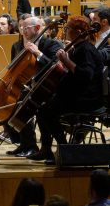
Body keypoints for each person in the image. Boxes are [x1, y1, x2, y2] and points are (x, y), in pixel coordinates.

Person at [32, 16, 104, 164]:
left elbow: (85, 76)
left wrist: (66, 61)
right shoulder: (78, 47)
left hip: (87, 99)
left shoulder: (86, 49)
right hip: (76, 95)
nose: (65, 31)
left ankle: (64, 149)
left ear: (77, 32)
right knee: (42, 108)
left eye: (67, 28)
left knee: (46, 112)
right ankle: (47, 149)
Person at [6, 15, 62, 158]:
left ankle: (35, 146)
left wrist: (37, 52)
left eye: (26, 28)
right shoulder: (23, 45)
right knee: (10, 102)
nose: (23, 31)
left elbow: (54, 66)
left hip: (49, 89)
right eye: (22, 28)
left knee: (25, 103)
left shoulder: (51, 44)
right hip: (32, 86)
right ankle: (25, 144)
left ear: (37, 28)